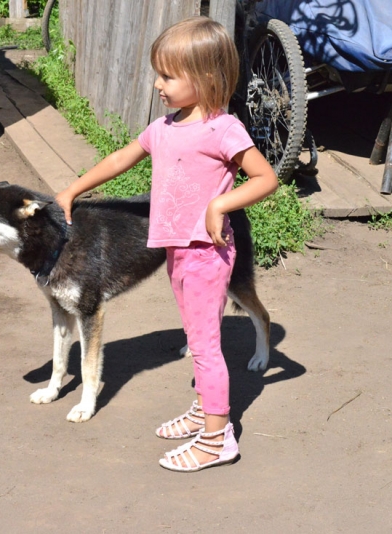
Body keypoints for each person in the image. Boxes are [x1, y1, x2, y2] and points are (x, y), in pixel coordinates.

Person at [54, 16, 278, 472]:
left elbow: (265, 177)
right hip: (177, 252)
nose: (158, 84)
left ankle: (218, 438)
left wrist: (220, 206)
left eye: (168, 75)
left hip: (207, 253)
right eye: (159, 73)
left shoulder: (224, 129)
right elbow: (121, 158)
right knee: (198, 341)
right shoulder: (165, 127)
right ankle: (204, 410)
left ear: (207, 79)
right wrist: (73, 189)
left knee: (206, 347)